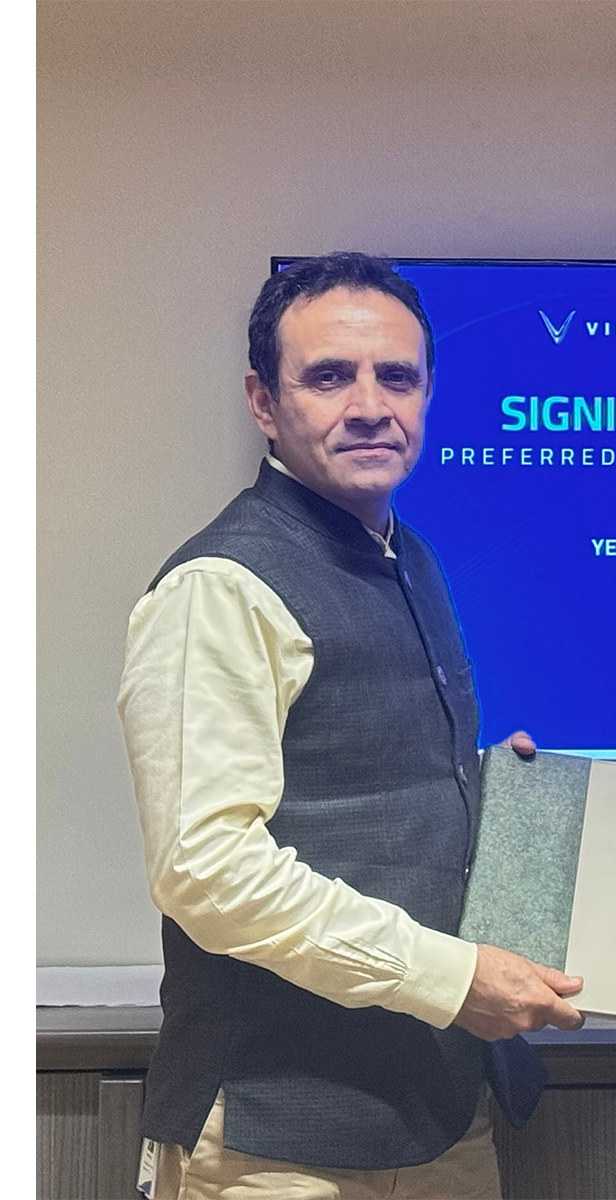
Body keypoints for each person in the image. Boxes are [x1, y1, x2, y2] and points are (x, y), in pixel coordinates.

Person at [118, 251, 583, 1198]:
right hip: (271, 1143)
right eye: (330, 376)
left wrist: (481, 795)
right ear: (264, 401)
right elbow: (207, 871)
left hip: (437, 1116)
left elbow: (354, 780)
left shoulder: (409, 557)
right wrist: (453, 979)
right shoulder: (222, 587)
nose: (370, 404)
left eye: (397, 377)